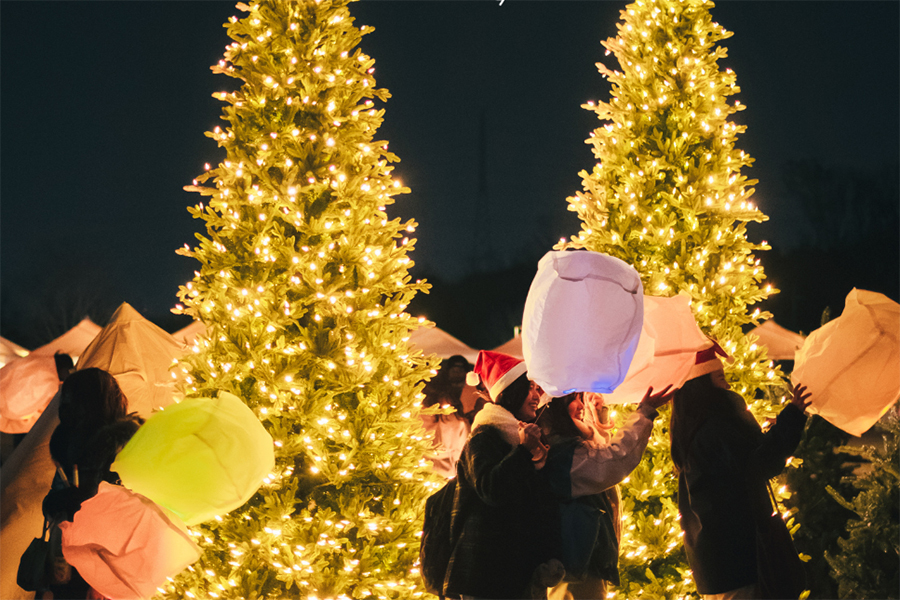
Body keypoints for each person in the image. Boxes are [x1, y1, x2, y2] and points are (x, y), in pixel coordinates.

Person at [670, 342, 811, 600]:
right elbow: (760, 463)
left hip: (714, 566)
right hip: (740, 559)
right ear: (702, 383)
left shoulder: (690, 427)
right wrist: (792, 416)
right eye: (720, 377)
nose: (727, 385)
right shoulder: (718, 424)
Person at [443, 350, 562, 599]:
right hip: (487, 576)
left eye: (537, 388)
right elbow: (491, 489)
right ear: (511, 391)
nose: (537, 395)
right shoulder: (484, 436)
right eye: (530, 388)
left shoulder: (525, 438)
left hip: (520, 572)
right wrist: (523, 451)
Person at [538, 387, 673, 600]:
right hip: (576, 567)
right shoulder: (561, 454)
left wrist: (597, 413)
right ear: (555, 408)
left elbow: (598, 453)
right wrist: (644, 414)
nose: (581, 405)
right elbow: (610, 461)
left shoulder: (564, 446)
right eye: (574, 399)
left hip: (581, 565)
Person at [41, 368, 143, 600]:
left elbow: (123, 518)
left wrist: (102, 581)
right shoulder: (68, 441)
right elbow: (56, 492)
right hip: (66, 556)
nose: (64, 406)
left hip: (101, 561)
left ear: (90, 402)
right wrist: (55, 503)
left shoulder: (121, 448)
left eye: (71, 399)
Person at [421, 356, 477, 478]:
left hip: (433, 467)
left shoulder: (471, 393)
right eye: (454, 369)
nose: (457, 373)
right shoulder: (444, 408)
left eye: (460, 369)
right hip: (440, 467)